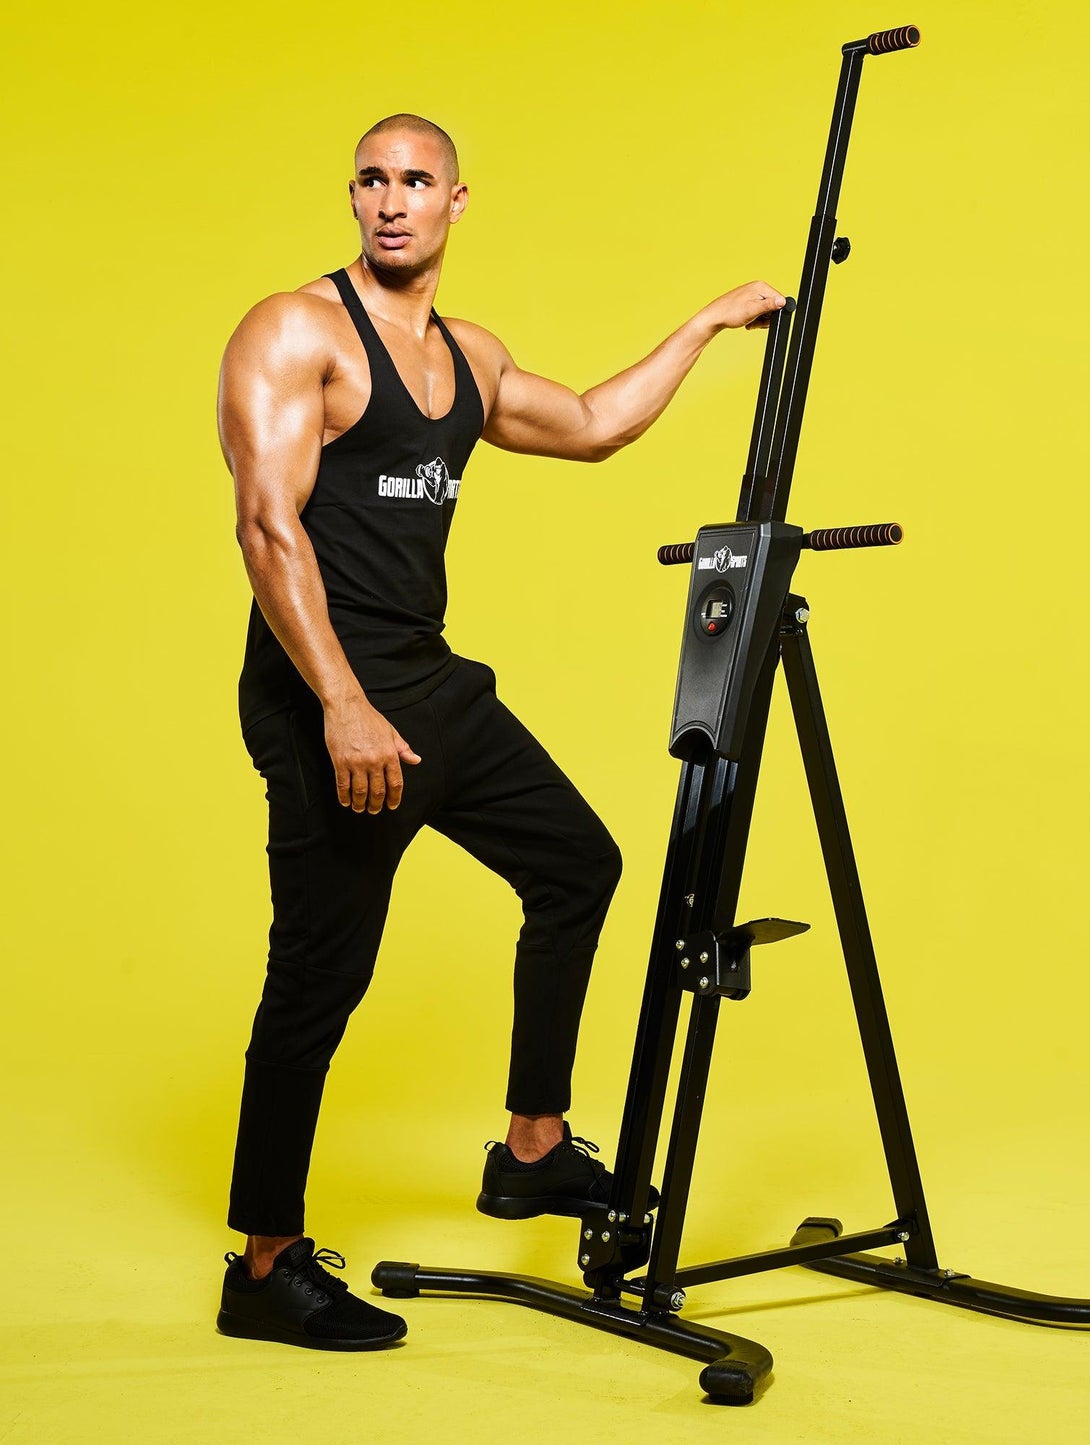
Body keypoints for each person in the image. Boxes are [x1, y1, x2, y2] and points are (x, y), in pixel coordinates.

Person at [214, 111, 787, 1351]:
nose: (391, 200)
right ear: (352, 197)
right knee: (318, 975)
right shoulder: (296, 330)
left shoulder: (466, 359)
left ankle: (531, 1147)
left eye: (416, 180)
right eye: (372, 179)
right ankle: (261, 1264)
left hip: (428, 685)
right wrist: (341, 703)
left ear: (456, 202)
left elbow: (590, 423)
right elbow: (267, 526)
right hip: (328, 695)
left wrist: (702, 325)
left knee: (576, 864)